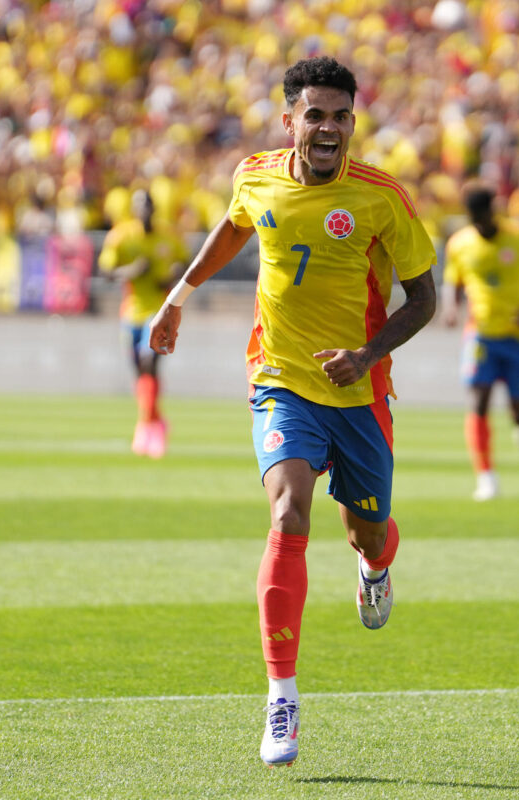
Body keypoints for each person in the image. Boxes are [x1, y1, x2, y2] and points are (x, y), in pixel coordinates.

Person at [147, 56, 437, 768]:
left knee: (367, 532)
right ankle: (283, 698)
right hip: (280, 378)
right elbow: (233, 227)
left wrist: (367, 355)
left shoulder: (380, 199)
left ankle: (376, 567)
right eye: (317, 115)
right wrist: (176, 297)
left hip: (361, 394)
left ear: (353, 122)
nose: (330, 128)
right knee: (289, 515)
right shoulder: (256, 174)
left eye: (342, 116)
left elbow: (426, 300)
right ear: (291, 121)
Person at [441, 183, 519, 501]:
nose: (480, 223)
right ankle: (486, 476)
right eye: (474, 218)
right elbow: (453, 279)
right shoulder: (461, 244)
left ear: (493, 211)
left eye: (484, 216)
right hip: (480, 336)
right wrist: (451, 308)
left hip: (517, 337)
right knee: (478, 401)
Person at [97, 189, 187, 458]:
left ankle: (146, 427)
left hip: (157, 313)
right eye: (140, 206)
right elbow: (105, 272)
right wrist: (132, 271)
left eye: (149, 205)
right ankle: (156, 421)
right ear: (134, 210)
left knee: (150, 363)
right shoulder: (122, 236)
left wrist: (173, 274)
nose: (145, 210)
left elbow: (185, 261)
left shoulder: (168, 235)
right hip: (131, 313)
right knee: (140, 373)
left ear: (154, 209)